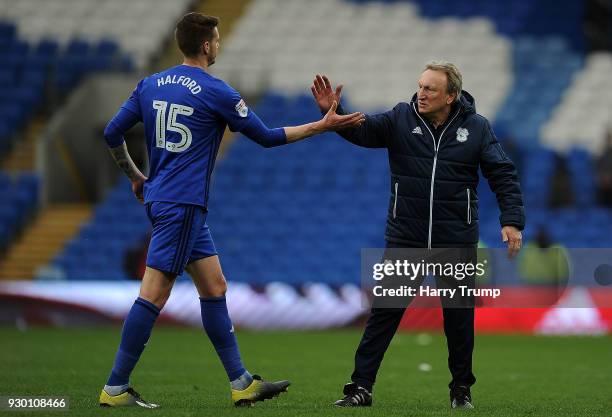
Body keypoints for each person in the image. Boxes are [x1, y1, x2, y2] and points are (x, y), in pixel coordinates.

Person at [99, 12, 364, 409]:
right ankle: (115, 387)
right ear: (206, 46)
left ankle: (241, 382)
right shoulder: (217, 91)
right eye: (217, 40)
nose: (219, 45)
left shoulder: (150, 84)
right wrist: (320, 126)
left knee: (215, 286)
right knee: (153, 294)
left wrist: (136, 177)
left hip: (164, 199)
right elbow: (267, 137)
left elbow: (111, 133)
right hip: (184, 203)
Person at [311, 62, 524, 409]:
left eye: (430, 89)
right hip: (405, 238)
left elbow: (503, 174)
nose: (421, 94)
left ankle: (461, 391)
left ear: (451, 96)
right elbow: (362, 132)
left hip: (456, 239)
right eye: (421, 86)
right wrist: (337, 114)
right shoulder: (400, 118)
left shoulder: (477, 128)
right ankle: (360, 388)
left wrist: (512, 220)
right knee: (384, 314)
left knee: (458, 320)